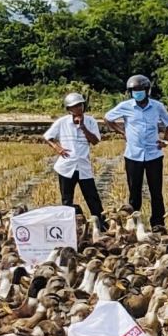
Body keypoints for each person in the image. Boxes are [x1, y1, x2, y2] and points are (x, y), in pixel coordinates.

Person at [105, 74, 168, 232]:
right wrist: (122, 132)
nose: (137, 92)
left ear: (147, 90)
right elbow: (108, 118)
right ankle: (134, 223)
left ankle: (157, 223)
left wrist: (165, 140)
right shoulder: (125, 106)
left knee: (156, 191)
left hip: (153, 154)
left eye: (139, 89)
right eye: (133, 90)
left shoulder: (157, 106)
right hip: (133, 155)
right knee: (134, 192)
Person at [43, 92, 106, 233]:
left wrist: (83, 127)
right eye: (74, 106)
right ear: (69, 109)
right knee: (67, 199)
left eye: (80, 105)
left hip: (83, 166)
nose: (78, 108)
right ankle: (69, 227)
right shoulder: (62, 122)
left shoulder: (90, 121)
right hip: (66, 166)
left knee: (93, 198)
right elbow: (48, 137)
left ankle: (102, 227)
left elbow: (95, 141)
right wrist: (57, 148)